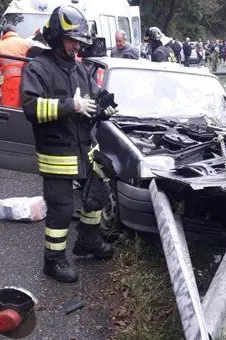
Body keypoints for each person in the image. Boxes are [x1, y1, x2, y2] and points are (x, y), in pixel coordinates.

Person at [20, 5, 117, 283]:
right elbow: (31, 108)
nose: (76, 46)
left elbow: (95, 94)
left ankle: (88, 243)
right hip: (56, 153)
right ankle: (54, 261)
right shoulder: (38, 68)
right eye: (71, 40)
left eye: (79, 41)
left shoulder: (79, 67)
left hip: (86, 149)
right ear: (56, 37)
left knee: (96, 197)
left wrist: (104, 106)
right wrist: (70, 105)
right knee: (61, 209)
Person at [0, 25, 30, 108]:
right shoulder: (26, 43)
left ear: (3, 34)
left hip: (9, 82)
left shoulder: (1, 44)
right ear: (16, 33)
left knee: (9, 111)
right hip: (27, 82)